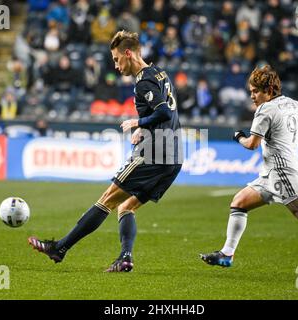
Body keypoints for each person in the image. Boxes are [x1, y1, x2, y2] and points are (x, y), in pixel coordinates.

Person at [28, 30, 183, 272]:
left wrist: (137, 123)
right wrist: (146, 129)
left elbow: (163, 112)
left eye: (116, 58)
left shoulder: (144, 80)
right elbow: (167, 114)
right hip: (174, 156)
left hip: (155, 153)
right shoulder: (159, 73)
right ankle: (125, 258)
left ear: (128, 53)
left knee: (107, 199)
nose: (115, 64)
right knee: (126, 207)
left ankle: (60, 248)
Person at [200, 65, 298, 267]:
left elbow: (252, 144)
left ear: (268, 90)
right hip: (271, 173)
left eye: (255, 91)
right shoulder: (293, 104)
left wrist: (239, 137)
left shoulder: (265, 110)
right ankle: (227, 254)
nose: (252, 96)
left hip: (281, 171)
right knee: (239, 202)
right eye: (251, 91)